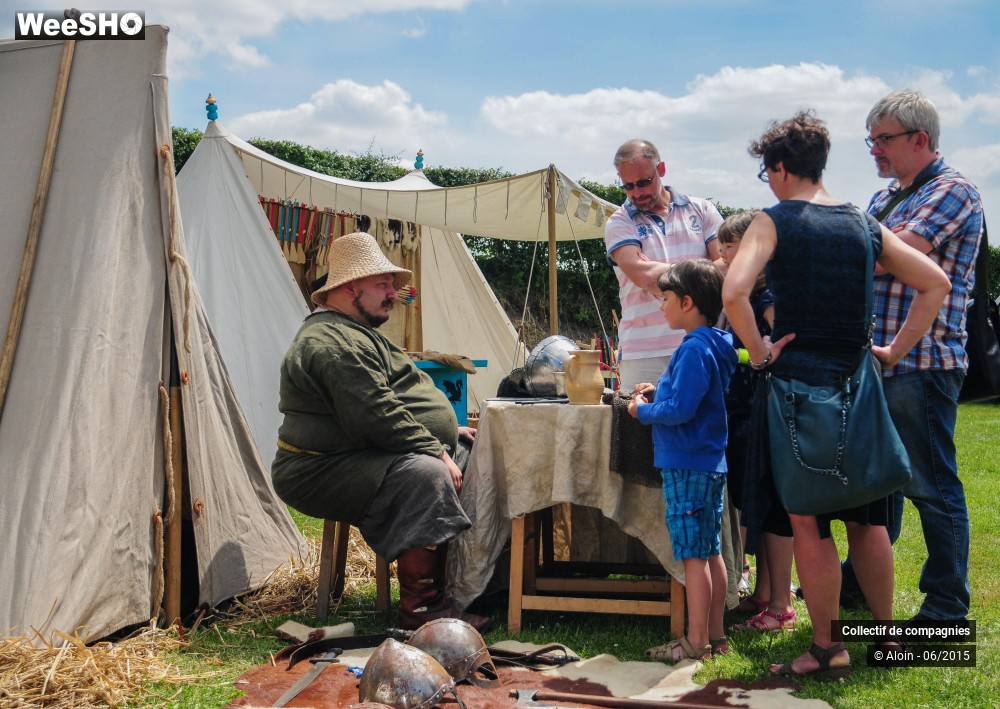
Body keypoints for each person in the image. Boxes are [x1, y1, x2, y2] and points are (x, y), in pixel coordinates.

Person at [722, 111, 950, 679]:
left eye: (767, 172)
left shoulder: (773, 221)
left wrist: (760, 352)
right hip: (860, 386)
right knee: (868, 521)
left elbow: (733, 292)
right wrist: (891, 352)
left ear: (779, 168)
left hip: (797, 391)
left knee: (809, 522)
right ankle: (889, 640)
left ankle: (828, 649)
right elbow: (935, 283)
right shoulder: (863, 223)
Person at [271, 231, 490, 632]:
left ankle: (474, 586)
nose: (393, 294)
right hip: (319, 468)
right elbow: (373, 414)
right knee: (426, 475)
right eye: (383, 284)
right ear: (350, 287)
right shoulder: (330, 342)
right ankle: (422, 611)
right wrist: (432, 447)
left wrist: (447, 430)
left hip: (363, 451)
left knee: (476, 457)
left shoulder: (356, 331)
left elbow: (392, 400)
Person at [839, 90, 983, 622]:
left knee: (931, 486)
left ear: (920, 139)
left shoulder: (953, 191)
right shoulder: (885, 197)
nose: (873, 150)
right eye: (870, 140)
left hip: (922, 363)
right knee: (879, 480)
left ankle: (946, 607)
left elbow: (882, 258)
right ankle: (860, 580)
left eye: (883, 139)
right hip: (880, 361)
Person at [627, 258, 738, 662]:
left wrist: (643, 411)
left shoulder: (693, 347)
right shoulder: (715, 343)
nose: (662, 306)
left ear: (687, 302)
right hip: (708, 462)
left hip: (687, 463)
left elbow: (682, 410)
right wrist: (659, 390)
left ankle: (695, 642)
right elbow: (692, 396)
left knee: (693, 555)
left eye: (666, 299)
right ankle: (716, 637)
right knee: (710, 551)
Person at [718, 212, 797, 633]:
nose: (724, 254)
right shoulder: (744, 290)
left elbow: (780, 338)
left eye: (730, 245)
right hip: (744, 411)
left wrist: (747, 353)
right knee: (758, 508)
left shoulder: (764, 294)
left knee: (772, 507)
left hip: (760, 411)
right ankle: (765, 594)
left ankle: (781, 603)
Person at [606, 139, 723, 390]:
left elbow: (728, 266)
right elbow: (644, 277)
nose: (637, 192)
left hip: (701, 343)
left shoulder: (702, 209)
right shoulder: (618, 222)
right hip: (643, 353)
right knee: (636, 418)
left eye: (643, 182)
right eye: (628, 186)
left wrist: (660, 272)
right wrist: (704, 271)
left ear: (661, 169)